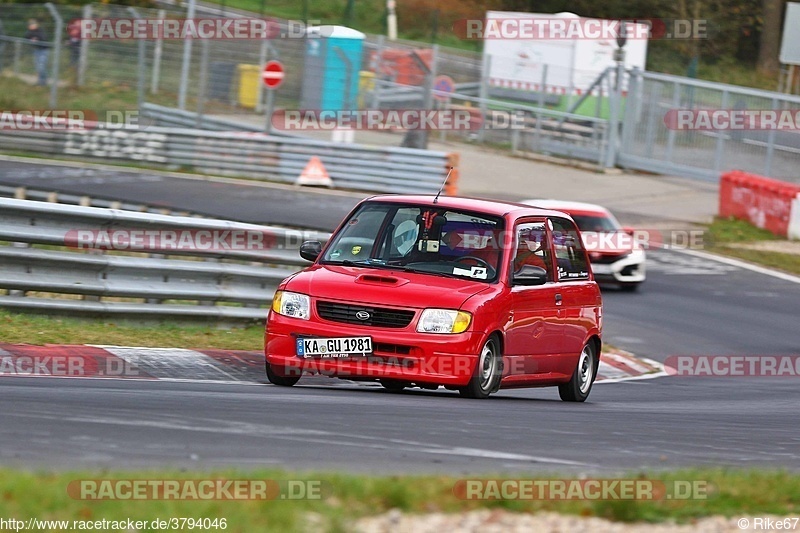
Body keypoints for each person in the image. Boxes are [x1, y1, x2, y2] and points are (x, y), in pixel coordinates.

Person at [24, 19, 48, 86]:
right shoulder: (30, 32)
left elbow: (43, 38)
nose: (31, 26)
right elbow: (26, 36)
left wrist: (36, 38)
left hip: (43, 50)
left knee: (41, 66)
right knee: (38, 66)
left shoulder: (40, 30)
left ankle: (43, 82)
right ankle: (40, 81)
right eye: (30, 25)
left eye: (33, 25)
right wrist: (32, 37)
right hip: (36, 50)